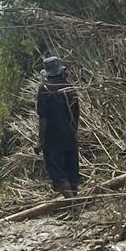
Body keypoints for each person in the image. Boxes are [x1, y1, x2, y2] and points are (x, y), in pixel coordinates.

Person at [36, 56, 81, 200]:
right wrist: (73, 132)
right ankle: (75, 203)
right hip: (69, 135)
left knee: (58, 172)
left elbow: (43, 117)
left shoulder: (44, 89)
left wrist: (40, 141)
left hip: (53, 138)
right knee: (72, 169)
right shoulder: (70, 88)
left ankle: (73, 204)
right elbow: (76, 114)